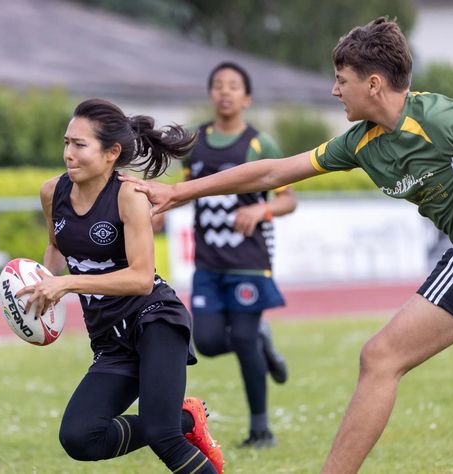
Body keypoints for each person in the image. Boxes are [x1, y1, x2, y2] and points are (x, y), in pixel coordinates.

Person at [120, 17, 453, 474]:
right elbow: (271, 173)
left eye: (342, 81)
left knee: (381, 357)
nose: (335, 91)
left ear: (373, 84)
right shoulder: (360, 143)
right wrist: (178, 192)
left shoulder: (439, 119)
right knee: (380, 358)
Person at [16, 98, 224, 474]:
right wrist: (44, 290)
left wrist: (67, 283)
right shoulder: (53, 192)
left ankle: (174, 426)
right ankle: (186, 420)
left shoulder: (128, 196)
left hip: (155, 320)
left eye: (80, 145)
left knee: (163, 437)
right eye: (67, 142)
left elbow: (142, 278)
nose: (68, 153)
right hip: (109, 336)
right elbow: (55, 246)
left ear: (112, 153)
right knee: (80, 438)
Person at [184, 61, 296, 448]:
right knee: (209, 342)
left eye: (233, 86)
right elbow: (186, 188)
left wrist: (260, 209)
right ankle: (263, 342)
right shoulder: (194, 142)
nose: (225, 92)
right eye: (218, 85)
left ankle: (261, 430)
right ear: (211, 93)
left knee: (243, 338)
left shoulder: (260, 144)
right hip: (208, 264)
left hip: (249, 263)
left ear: (246, 98)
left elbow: (288, 200)